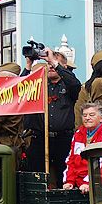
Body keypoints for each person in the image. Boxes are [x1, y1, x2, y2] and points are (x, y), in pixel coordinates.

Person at [23, 49, 81, 185]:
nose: (50, 66)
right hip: (41, 138)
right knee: (36, 176)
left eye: (53, 64)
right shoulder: (39, 85)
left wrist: (54, 62)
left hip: (63, 139)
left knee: (65, 176)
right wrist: (28, 66)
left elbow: (75, 85)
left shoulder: (68, 84)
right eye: (47, 64)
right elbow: (20, 89)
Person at [63, 103, 102, 194]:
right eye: (84, 115)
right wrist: (69, 181)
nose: (87, 118)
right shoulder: (78, 133)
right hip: (80, 185)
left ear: (101, 118)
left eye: (92, 115)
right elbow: (71, 159)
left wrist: (89, 182)